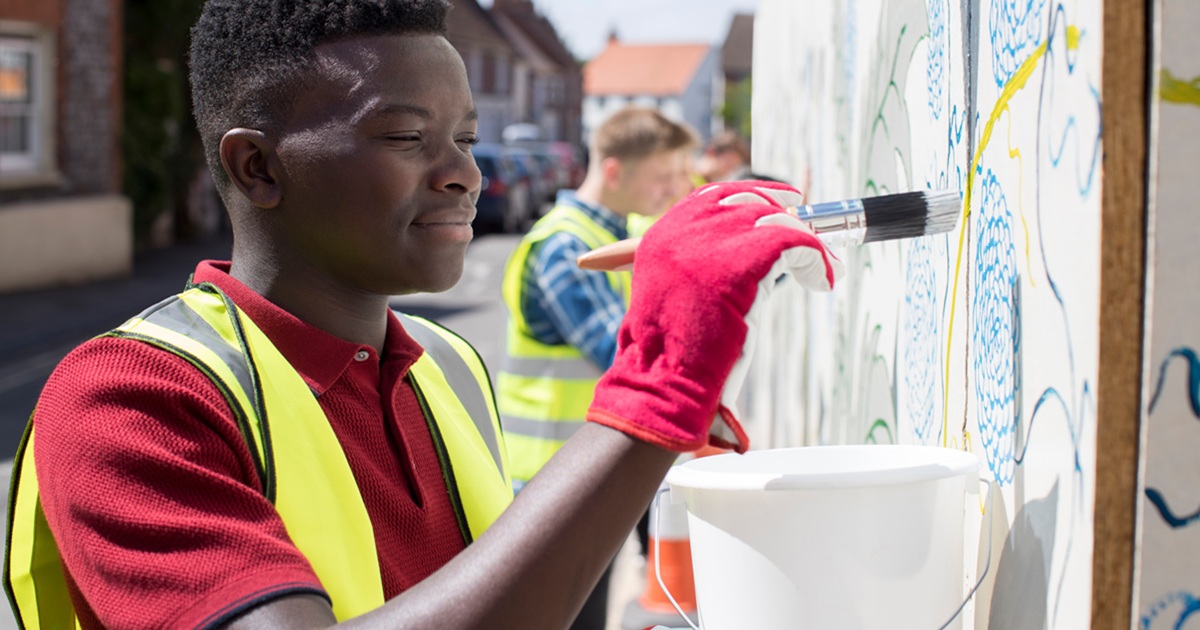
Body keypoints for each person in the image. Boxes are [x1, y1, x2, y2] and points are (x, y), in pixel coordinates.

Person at [3, 2, 841, 628]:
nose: (463, 175)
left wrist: (647, 447)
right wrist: (655, 393)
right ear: (258, 167)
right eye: (408, 138)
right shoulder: (127, 399)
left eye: (468, 139)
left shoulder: (444, 363)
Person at [495, 106, 697, 628]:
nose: (674, 188)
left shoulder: (624, 232)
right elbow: (624, 356)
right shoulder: (567, 247)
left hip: (592, 470)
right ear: (613, 171)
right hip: (551, 481)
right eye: (664, 176)